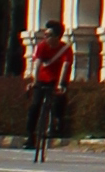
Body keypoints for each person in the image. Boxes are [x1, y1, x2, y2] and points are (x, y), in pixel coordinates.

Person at [26, 17, 71, 160]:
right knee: (34, 106)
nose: (45, 38)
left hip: (57, 80)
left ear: (57, 37)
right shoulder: (41, 47)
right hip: (42, 79)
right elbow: (38, 64)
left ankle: (57, 122)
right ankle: (30, 136)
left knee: (60, 101)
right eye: (45, 35)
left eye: (49, 35)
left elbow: (65, 66)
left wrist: (61, 84)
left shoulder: (65, 49)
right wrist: (34, 81)